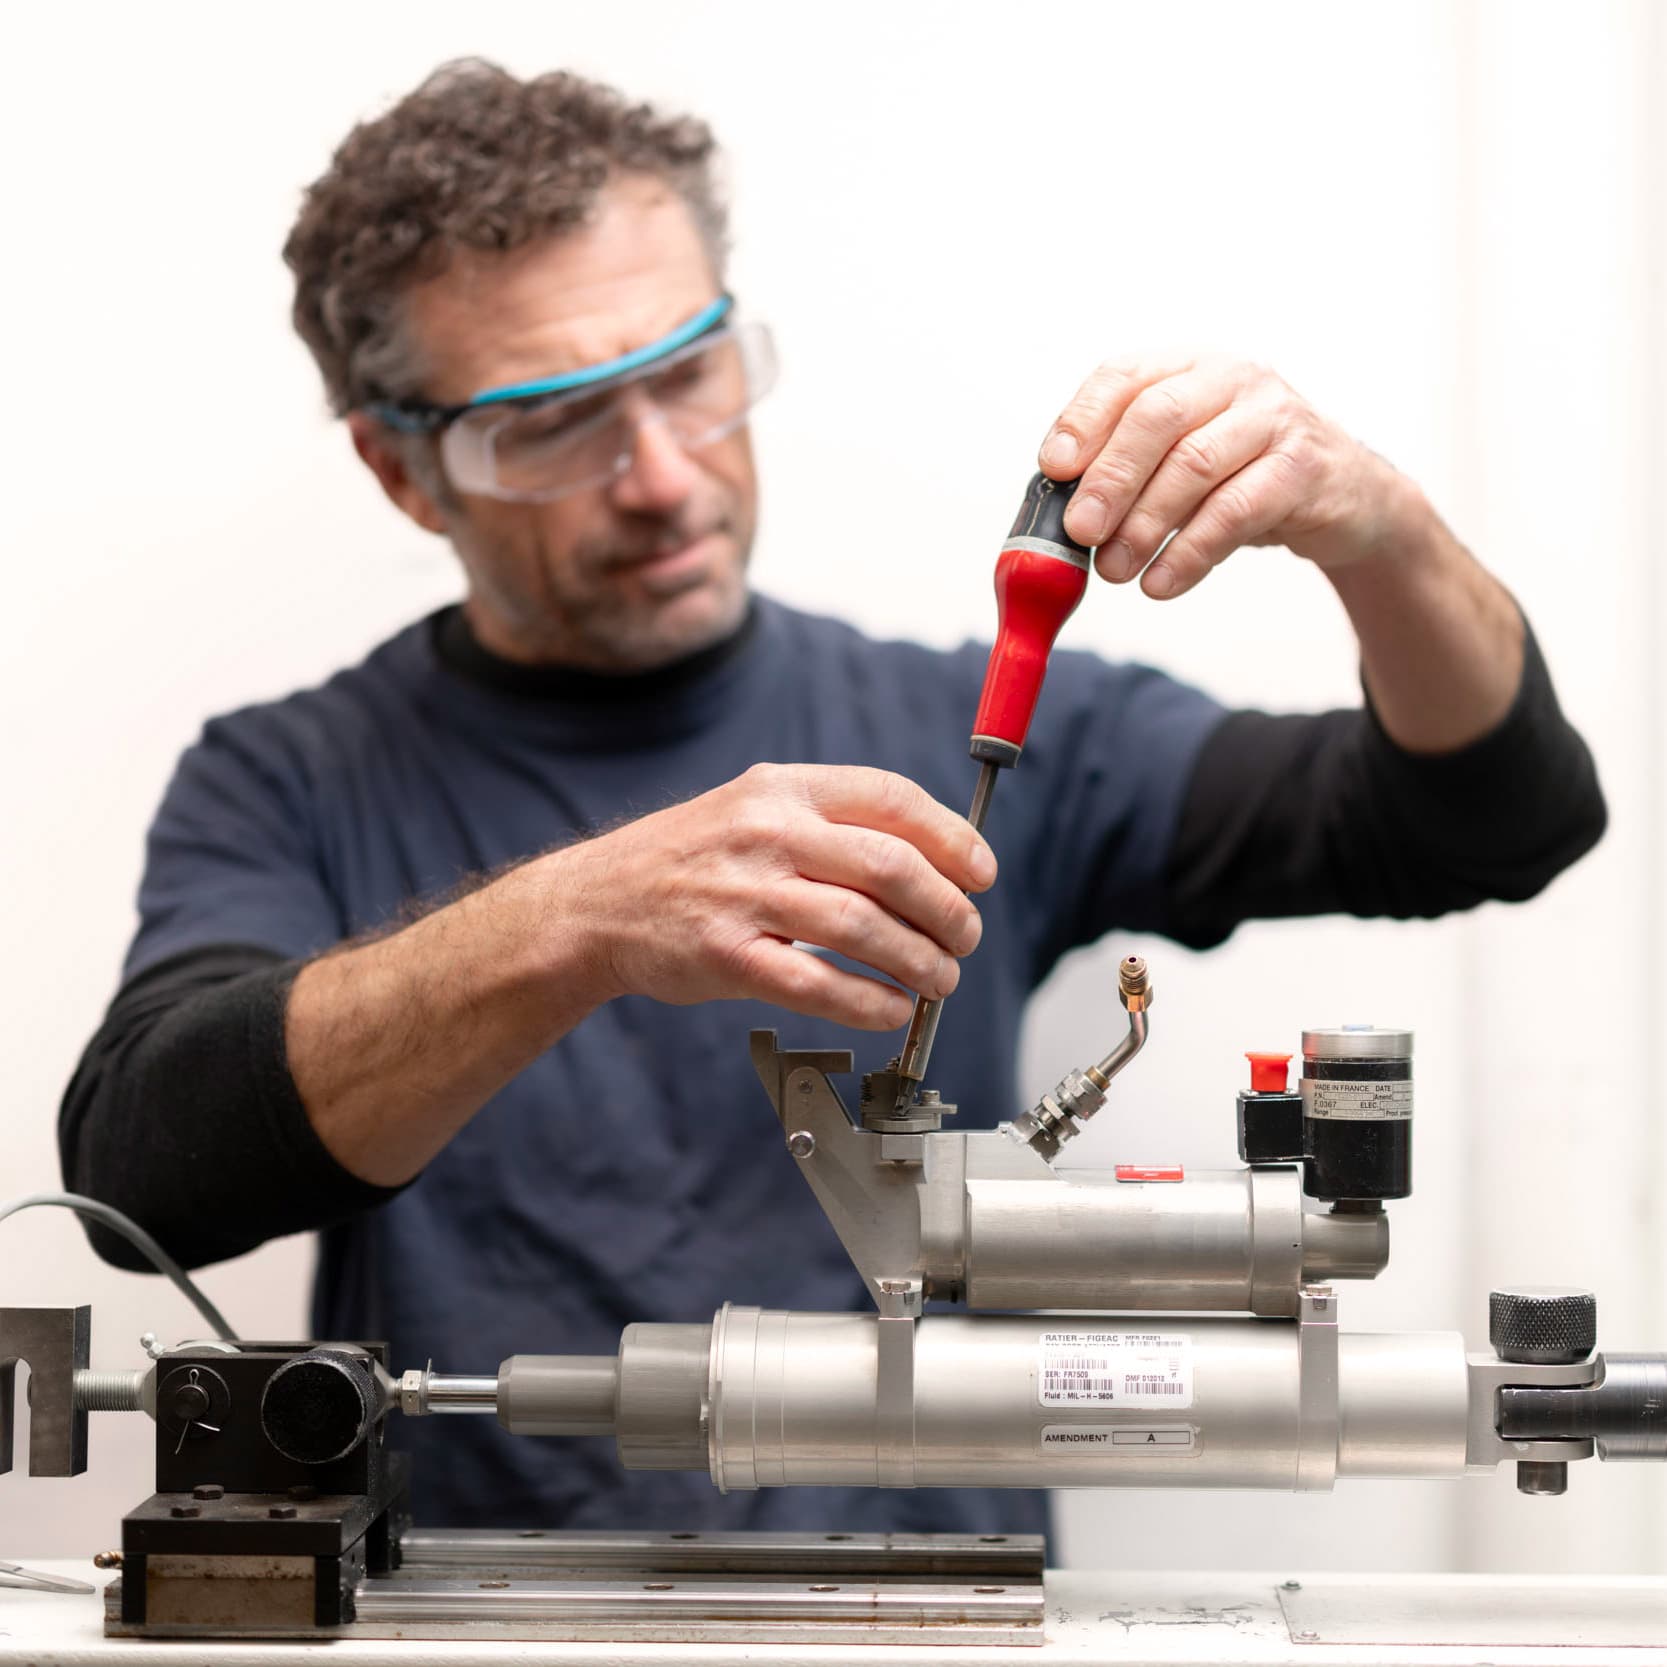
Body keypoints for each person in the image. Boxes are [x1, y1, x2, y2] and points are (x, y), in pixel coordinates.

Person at [61, 60, 1603, 1538]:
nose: (663, 475)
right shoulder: (291, 779)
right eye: (552, 421)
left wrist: (1379, 531)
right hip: (488, 1613)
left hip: (940, 1615)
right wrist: (576, 916)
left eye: (688, 373)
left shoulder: (968, 723)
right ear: (404, 474)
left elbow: (1493, 816)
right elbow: (145, 1170)